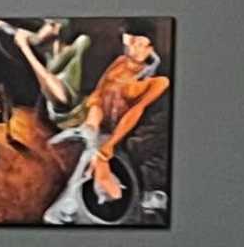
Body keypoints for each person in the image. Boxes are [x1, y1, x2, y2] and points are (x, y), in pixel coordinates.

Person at [42, 23, 169, 226]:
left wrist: (106, 149)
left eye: (140, 44)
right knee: (69, 145)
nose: (134, 49)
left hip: (130, 140)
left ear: (150, 49)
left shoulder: (158, 82)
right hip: (101, 130)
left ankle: (70, 208)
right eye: (131, 42)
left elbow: (134, 114)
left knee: (96, 160)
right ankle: (69, 203)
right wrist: (91, 126)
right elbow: (98, 98)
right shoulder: (119, 63)